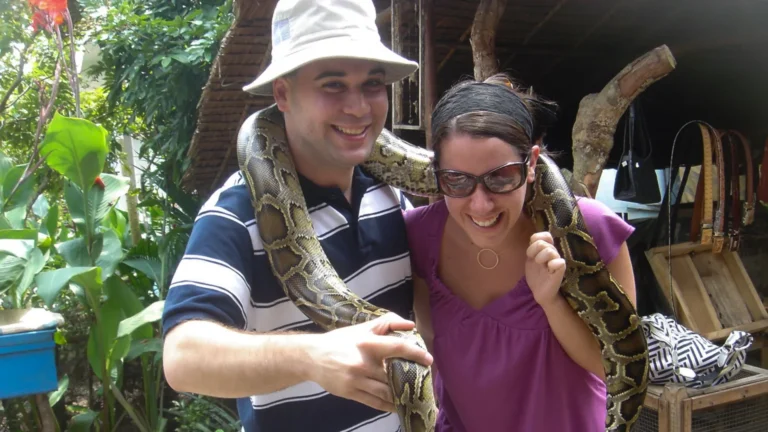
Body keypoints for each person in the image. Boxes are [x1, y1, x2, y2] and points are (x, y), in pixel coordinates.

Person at [161, 1, 434, 431]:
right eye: (332, 85)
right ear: (282, 94)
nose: (359, 108)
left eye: (372, 84)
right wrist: (312, 356)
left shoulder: (390, 195)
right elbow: (183, 357)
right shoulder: (236, 214)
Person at [404, 74, 638, 431]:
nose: (481, 204)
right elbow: (430, 352)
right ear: (436, 173)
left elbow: (617, 365)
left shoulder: (590, 230)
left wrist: (552, 302)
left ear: (531, 164)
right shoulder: (420, 234)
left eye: (501, 177)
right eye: (457, 180)